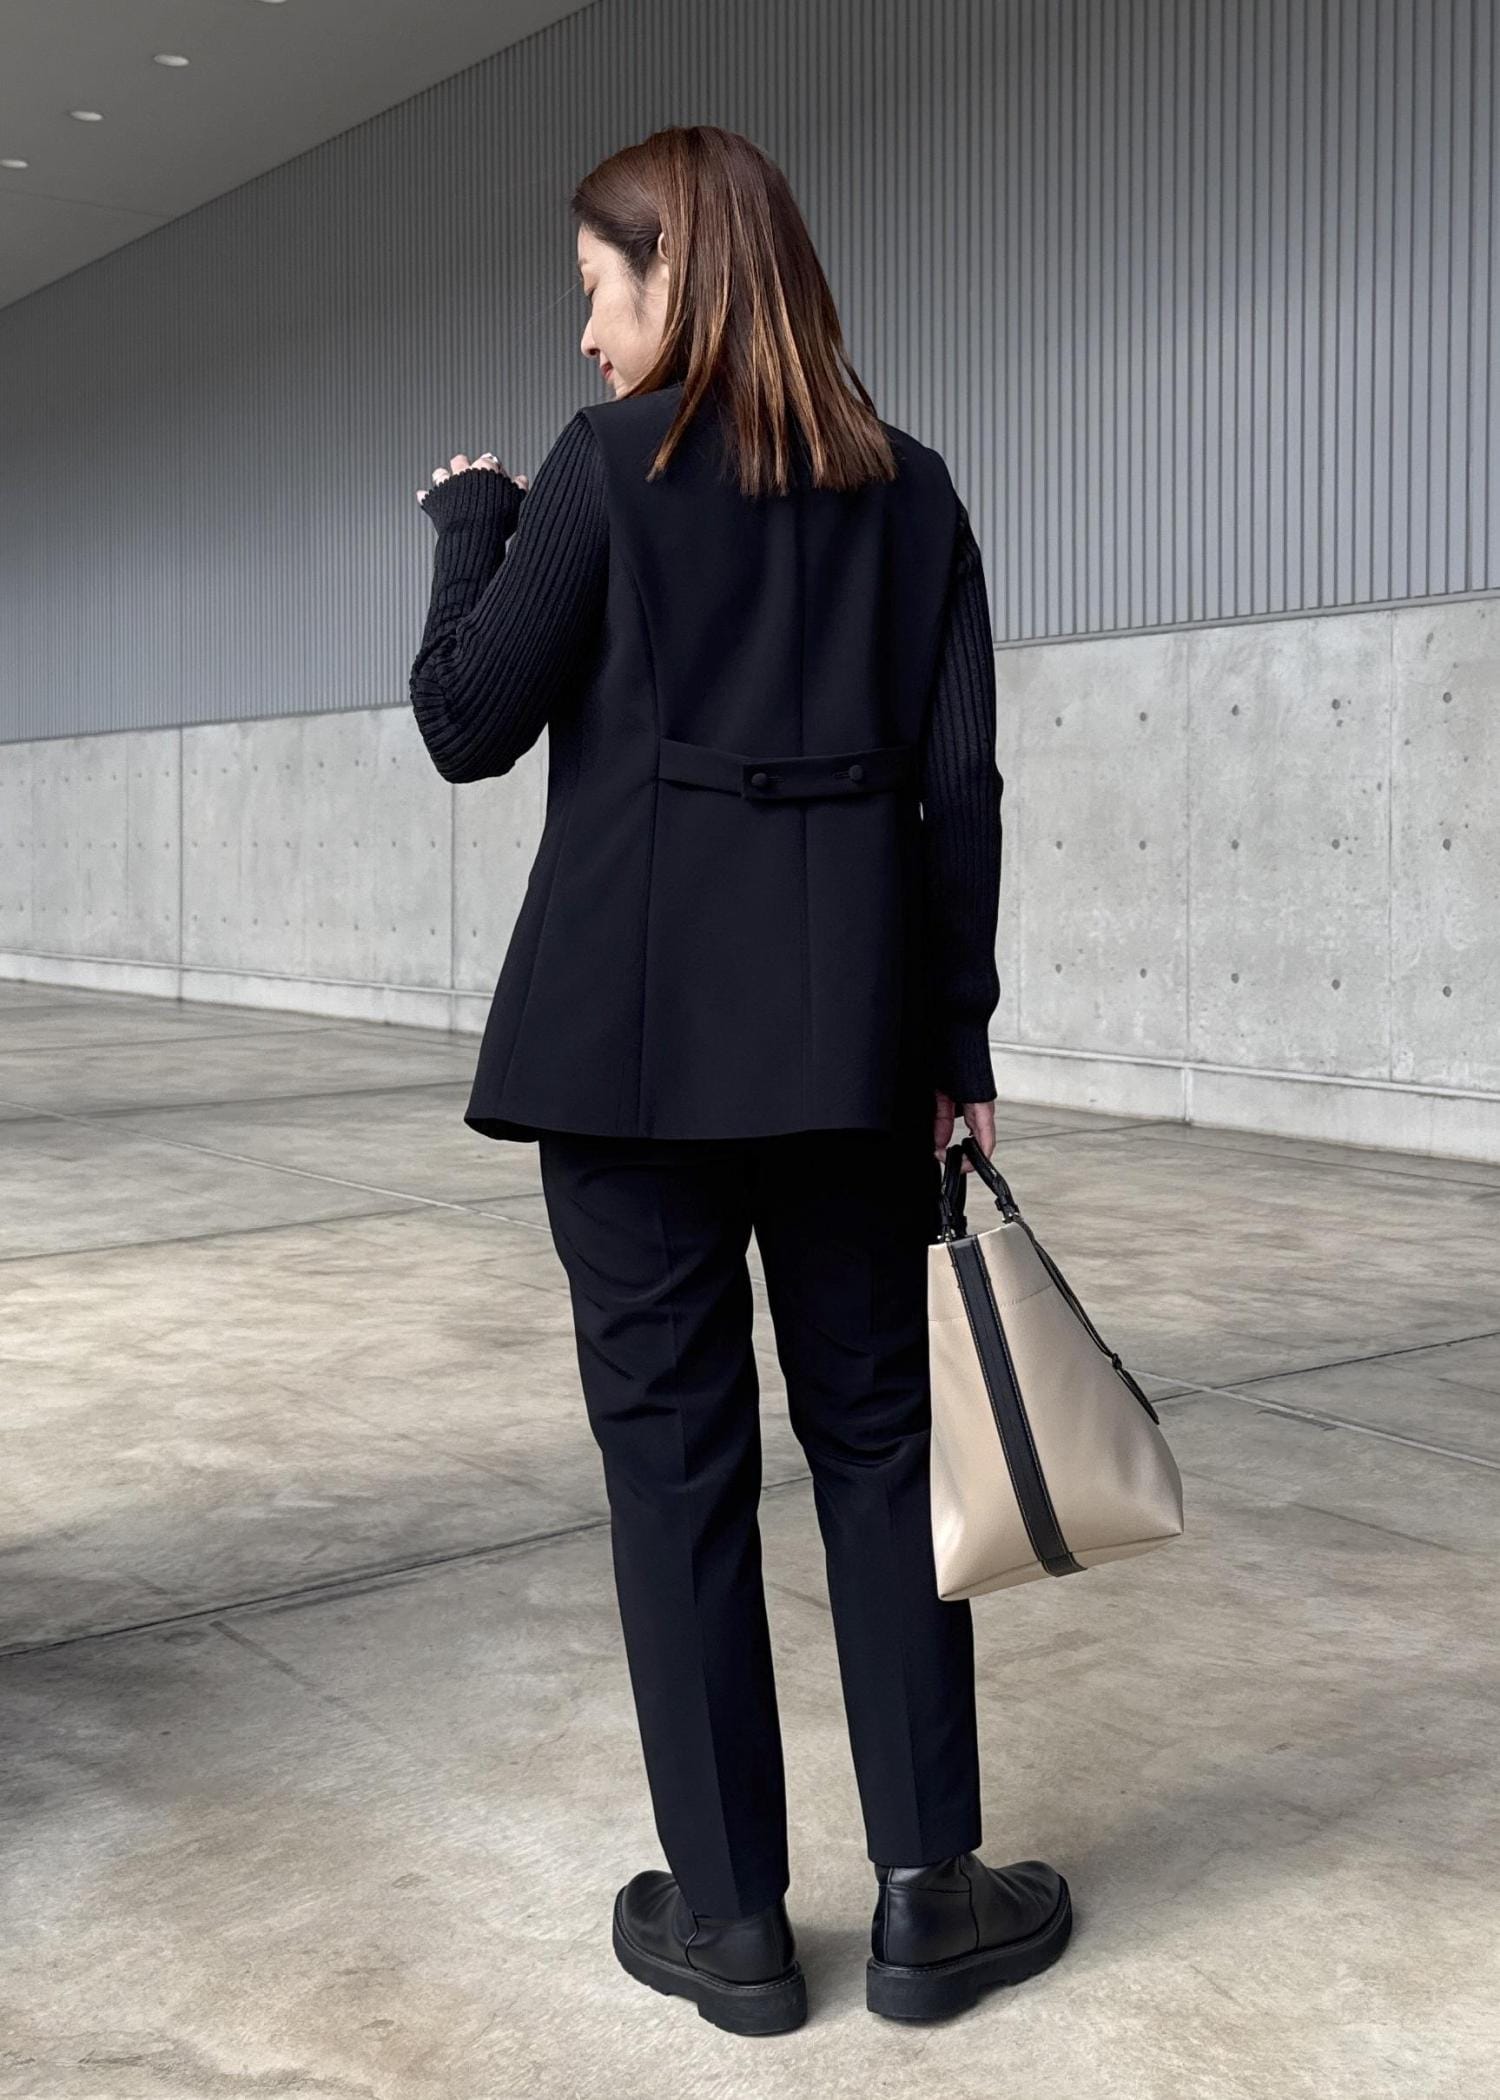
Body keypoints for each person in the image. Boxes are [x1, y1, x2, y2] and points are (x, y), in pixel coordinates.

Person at [407, 124, 1072, 2036]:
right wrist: (957, 1042)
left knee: (675, 1465)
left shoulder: (597, 470)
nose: (588, 334)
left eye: (598, 292)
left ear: (676, 277)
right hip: (849, 1054)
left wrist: (471, 527)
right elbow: (963, 792)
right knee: (876, 1447)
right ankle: (931, 1900)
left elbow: (464, 718)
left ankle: (732, 1924)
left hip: (622, 1061)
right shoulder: (917, 492)